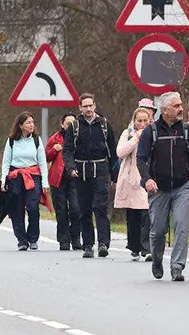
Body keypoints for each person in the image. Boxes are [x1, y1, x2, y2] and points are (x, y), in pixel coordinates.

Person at [137, 92, 189, 281]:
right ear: (164, 110)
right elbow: (141, 159)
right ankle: (157, 260)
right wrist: (147, 179)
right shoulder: (151, 132)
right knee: (158, 231)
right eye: (176, 106)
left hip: (182, 187)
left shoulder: (186, 131)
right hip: (158, 188)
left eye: (181, 105)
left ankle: (177, 267)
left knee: (181, 227)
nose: (181, 108)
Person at [63, 94, 115, 258]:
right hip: (81, 171)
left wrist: (114, 174)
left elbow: (113, 151)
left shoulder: (104, 124)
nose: (88, 109)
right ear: (80, 108)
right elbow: (67, 150)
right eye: (85, 106)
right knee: (84, 209)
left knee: (100, 207)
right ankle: (88, 245)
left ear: (95, 106)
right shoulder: (75, 126)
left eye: (90, 105)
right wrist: (71, 168)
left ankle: (103, 243)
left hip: (100, 169)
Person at [0, 111, 50, 251]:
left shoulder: (36, 140)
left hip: (33, 176)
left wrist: (45, 182)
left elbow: (42, 162)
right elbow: (5, 162)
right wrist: (3, 180)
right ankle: (21, 240)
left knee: (33, 207)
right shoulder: (11, 141)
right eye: (28, 123)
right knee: (17, 209)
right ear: (20, 125)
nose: (31, 125)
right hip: (16, 177)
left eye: (33, 122)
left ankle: (33, 238)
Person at [115, 106, 153, 261]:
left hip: (147, 176)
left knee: (147, 213)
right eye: (139, 121)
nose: (142, 124)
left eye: (145, 121)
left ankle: (147, 248)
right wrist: (136, 138)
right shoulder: (128, 133)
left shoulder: (154, 132)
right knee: (133, 215)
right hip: (131, 179)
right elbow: (121, 152)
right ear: (134, 121)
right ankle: (134, 247)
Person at [45, 114, 81, 251]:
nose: (70, 126)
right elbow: (46, 157)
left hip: (76, 178)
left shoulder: (80, 137)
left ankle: (76, 238)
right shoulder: (55, 138)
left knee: (76, 210)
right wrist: (55, 149)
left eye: (73, 123)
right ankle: (63, 241)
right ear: (62, 124)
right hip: (58, 180)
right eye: (67, 123)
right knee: (61, 211)